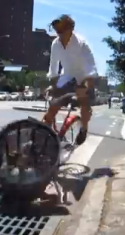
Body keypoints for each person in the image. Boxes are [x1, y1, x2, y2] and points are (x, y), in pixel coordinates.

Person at [44, 14, 98, 145]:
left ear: (70, 28)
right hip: (67, 76)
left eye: (62, 29)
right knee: (53, 106)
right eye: (57, 29)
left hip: (83, 76)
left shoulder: (81, 43)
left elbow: (90, 67)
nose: (59, 33)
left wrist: (85, 86)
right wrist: (53, 86)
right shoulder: (55, 44)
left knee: (85, 105)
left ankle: (84, 129)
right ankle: (43, 134)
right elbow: (53, 67)